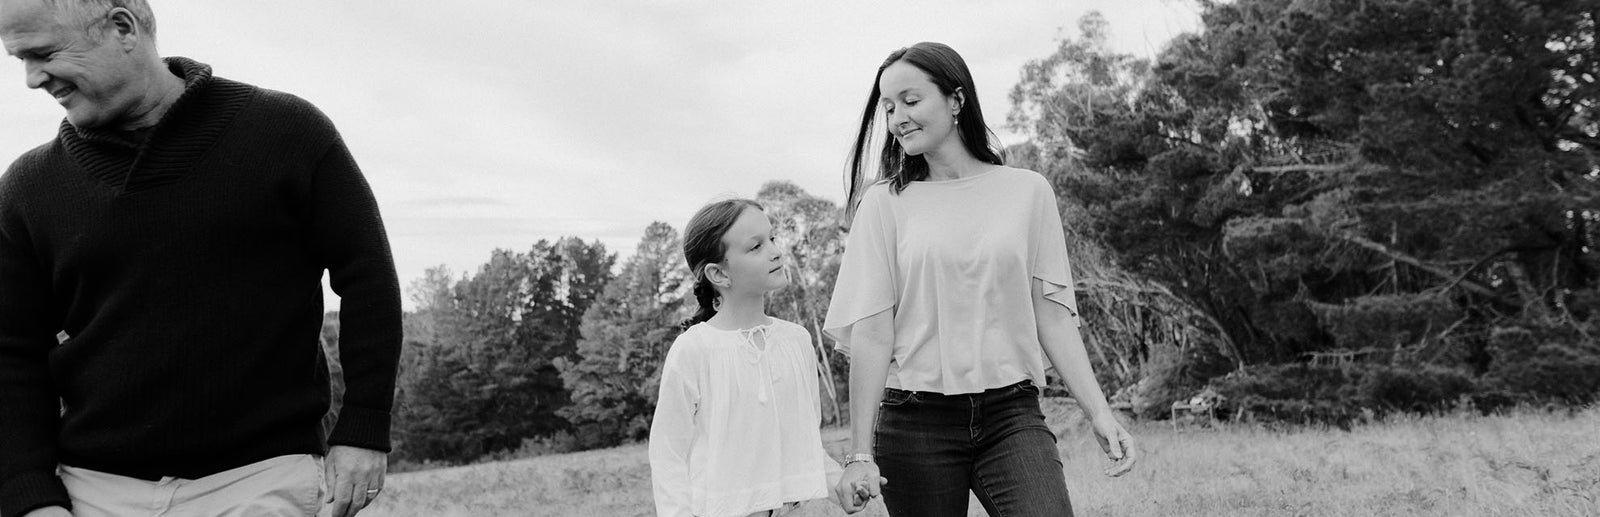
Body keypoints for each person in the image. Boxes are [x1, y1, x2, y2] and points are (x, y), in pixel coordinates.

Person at [0, 1, 402, 516]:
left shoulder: (286, 133)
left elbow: (368, 278)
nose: (33, 79)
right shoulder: (29, 188)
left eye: (43, 53)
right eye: (20, 61)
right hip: (93, 491)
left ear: (121, 27)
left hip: (261, 480)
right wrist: (30, 496)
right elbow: (11, 353)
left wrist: (364, 427)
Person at [824, 42, 1138, 517]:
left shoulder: (1028, 191)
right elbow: (872, 333)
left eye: (910, 101)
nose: (897, 118)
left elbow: (1050, 315)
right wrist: (859, 454)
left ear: (955, 99)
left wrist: (1099, 411)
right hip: (915, 422)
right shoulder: (884, 203)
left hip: (1011, 415)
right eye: (888, 108)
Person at [648, 199, 851, 517]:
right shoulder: (694, 349)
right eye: (756, 247)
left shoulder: (796, 340)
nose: (775, 251)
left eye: (772, 238)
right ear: (718, 273)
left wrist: (841, 485)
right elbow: (667, 454)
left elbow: (804, 439)